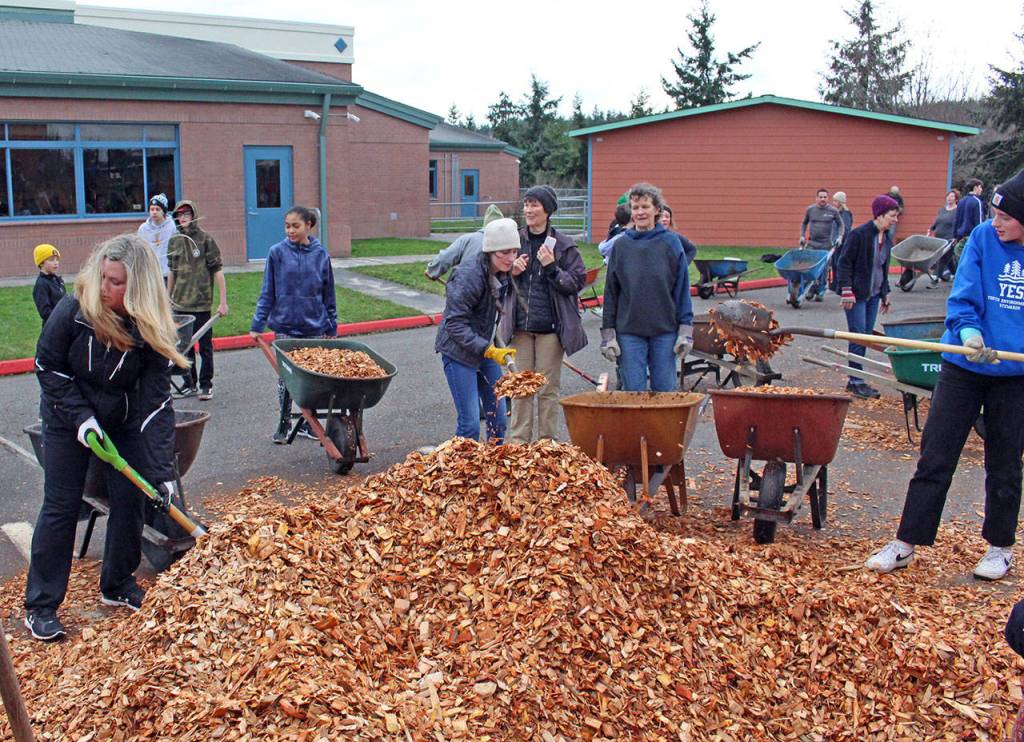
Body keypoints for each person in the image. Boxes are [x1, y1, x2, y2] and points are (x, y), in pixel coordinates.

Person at [25, 234, 189, 641]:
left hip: (122, 416)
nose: (104, 288)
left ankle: (117, 584)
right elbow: (47, 366)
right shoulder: (75, 309)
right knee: (62, 504)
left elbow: (154, 402)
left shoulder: (148, 328)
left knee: (132, 496)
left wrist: (163, 473)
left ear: (139, 288)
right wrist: (81, 419)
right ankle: (41, 605)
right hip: (67, 413)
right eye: (103, 277)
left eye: (116, 282)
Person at [865, 170, 1024, 581]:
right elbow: (964, 295)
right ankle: (905, 543)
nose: (996, 222)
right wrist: (970, 333)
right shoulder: (983, 239)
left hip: (1015, 374)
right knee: (935, 455)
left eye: (1005, 217)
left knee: (1005, 463)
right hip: (964, 364)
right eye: (993, 213)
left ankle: (1000, 547)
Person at [499, 185, 586, 444]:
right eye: (526, 204)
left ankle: (547, 444)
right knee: (520, 389)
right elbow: (493, 276)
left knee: (547, 389)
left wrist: (552, 268)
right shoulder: (514, 240)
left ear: (547, 210)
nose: (528, 209)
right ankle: (518, 444)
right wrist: (509, 271)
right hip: (520, 329)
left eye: (535, 204)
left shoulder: (564, 245)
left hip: (550, 329)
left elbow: (576, 282)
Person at [250, 206, 337, 443]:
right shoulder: (276, 253)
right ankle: (285, 422)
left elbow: (328, 294)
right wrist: (258, 323)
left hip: (314, 327)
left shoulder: (321, 255)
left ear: (309, 225)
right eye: (287, 225)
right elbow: (268, 291)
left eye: (295, 225)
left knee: (314, 378)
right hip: (286, 328)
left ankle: (311, 424)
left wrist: (332, 326)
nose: (290, 230)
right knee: (286, 378)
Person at [600, 182, 693, 392]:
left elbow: (681, 289)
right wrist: (608, 335)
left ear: (657, 210)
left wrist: (685, 331)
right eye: (635, 208)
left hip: (664, 331)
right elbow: (611, 292)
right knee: (633, 394)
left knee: (665, 394)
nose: (640, 212)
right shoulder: (621, 246)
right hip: (629, 331)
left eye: (645, 207)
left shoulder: (671, 243)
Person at [434, 218, 519, 443]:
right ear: (490, 251)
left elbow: (492, 314)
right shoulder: (468, 275)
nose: (510, 258)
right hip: (458, 353)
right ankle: (458, 474)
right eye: (504, 253)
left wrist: (496, 347)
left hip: (484, 349)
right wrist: (489, 350)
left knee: (498, 420)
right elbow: (454, 324)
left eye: (513, 251)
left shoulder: (502, 272)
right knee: (470, 424)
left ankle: (492, 472)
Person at [836, 194, 899, 399]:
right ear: (879, 215)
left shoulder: (886, 238)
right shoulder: (859, 235)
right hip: (856, 294)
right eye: (892, 215)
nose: (895, 219)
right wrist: (847, 290)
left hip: (873, 294)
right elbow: (844, 263)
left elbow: (883, 267)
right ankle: (855, 380)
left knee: (865, 336)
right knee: (858, 335)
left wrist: (884, 293)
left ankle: (857, 378)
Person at [166, 200, 229, 400]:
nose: (183, 218)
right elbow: (172, 272)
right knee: (183, 347)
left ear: (194, 215)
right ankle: (189, 383)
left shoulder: (205, 240)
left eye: (186, 214)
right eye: (179, 214)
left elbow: (218, 271)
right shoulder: (174, 241)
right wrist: (168, 299)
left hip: (201, 304)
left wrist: (223, 301)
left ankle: (205, 384)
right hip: (179, 304)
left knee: (205, 346)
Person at [424, 204, 504, 281]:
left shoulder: (467, 239)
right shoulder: (512, 244)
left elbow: (445, 257)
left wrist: (432, 271)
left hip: (467, 286)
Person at [801, 188, 845, 300]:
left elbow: (841, 225)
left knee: (823, 269)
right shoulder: (810, 210)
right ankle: (809, 289)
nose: (823, 199)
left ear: (827, 198)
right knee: (810, 268)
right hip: (812, 244)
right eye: (820, 197)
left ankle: (820, 289)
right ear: (816, 198)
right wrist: (802, 236)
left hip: (826, 245)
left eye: (825, 197)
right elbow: (804, 223)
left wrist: (840, 237)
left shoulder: (833, 211)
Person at [911, 188, 960, 286]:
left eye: (952, 197)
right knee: (948, 259)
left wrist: (956, 236)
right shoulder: (942, 210)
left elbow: (958, 224)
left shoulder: (957, 211)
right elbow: (937, 221)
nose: (949, 198)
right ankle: (957, 274)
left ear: (956, 199)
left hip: (950, 238)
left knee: (942, 257)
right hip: (939, 238)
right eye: (948, 196)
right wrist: (931, 229)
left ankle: (936, 278)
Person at [950, 178, 986, 280]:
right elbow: (979, 222)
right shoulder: (977, 202)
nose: (981, 190)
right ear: (975, 187)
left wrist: (955, 236)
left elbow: (956, 220)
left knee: (961, 259)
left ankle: (961, 278)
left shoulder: (961, 202)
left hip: (960, 237)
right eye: (980, 187)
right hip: (972, 237)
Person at [137, 194, 177, 280]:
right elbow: (140, 250)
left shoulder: (172, 227)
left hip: (166, 273)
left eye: (157, 209)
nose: (154, 212)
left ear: (164, 211)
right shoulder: (143, 228)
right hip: (150, 273)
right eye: (152, 209)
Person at [31, 243, 65, 327]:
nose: (56, 263)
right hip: (53, 328)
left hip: (64, 326)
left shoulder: (57, 280)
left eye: (57, 259)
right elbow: (45, 312)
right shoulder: (41, 284)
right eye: (51, 260)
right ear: (41, 263)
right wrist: (61, 319)